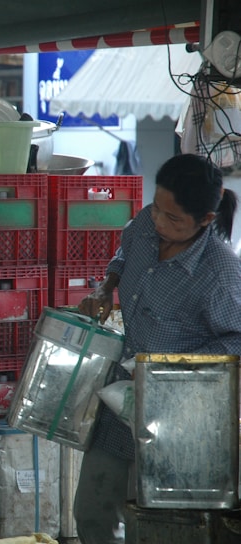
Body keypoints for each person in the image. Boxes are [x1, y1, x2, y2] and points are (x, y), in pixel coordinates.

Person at [73, 153, 241, 544]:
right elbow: (122, 254)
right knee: (92, 512)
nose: (159, 222)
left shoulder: (219, 272)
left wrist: (170, 370)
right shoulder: (144, 226)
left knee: (160, 527)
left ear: (204, 221)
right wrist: (104, 288)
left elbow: (236, 340)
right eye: (157, 209)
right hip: (121, 401)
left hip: (181, 418)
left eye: (173, 219)